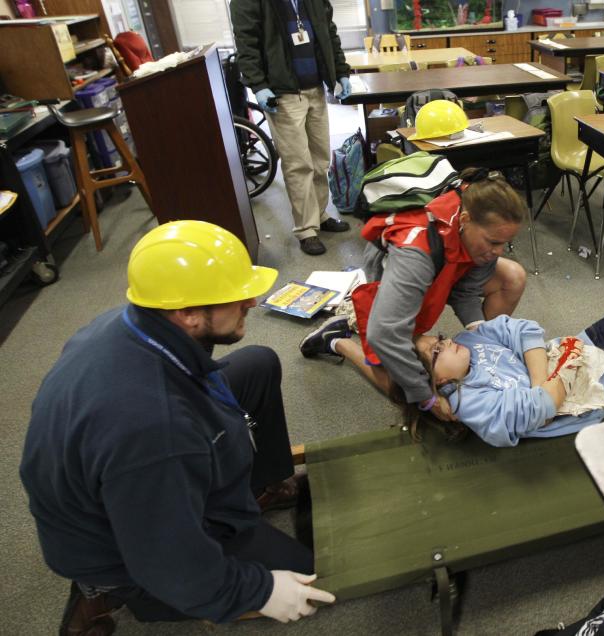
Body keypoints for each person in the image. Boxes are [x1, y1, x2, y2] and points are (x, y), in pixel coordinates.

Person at [20, 221, 334, 634]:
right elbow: (170, 563)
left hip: (125, 473)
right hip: (115, 545)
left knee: (257, 363)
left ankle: (265, 485)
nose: (253, 302)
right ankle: (108, 593)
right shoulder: (155, 430)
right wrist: (258, 591)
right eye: (235, 297)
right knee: (318, 576)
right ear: (186, 313)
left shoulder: (134, 319)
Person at [305, 234, 604, 446]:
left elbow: (524, 330)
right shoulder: (473, 405)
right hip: (599, 389)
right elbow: (538, 409)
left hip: (576, 353)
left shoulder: (469, 348)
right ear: (436, 386)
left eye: (439, 339)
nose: (445, 343)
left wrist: (542, 376)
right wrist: (546, 381)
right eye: (435, 354)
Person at [300, 167, 529, 422]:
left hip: (441, 262)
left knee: (513, 276)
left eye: (505, 244)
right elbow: (385, 336)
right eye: (493, 242)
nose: (499, 251)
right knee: (402, 384)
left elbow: (465, 292)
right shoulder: (416, 254)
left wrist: (483, 337)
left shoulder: (481, 228)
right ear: (464, 221)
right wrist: (427, 398)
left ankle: (462, 357)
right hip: (400, 273)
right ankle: (338, 341)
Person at [230, 0, 352, 255]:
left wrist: (341, 71)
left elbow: (329, 31)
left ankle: (319, 215)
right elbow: (246, 44)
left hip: (316, 87)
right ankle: (306, 229)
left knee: (320, 160)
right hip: (282, 93)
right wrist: (258, 85)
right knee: (298, 164)